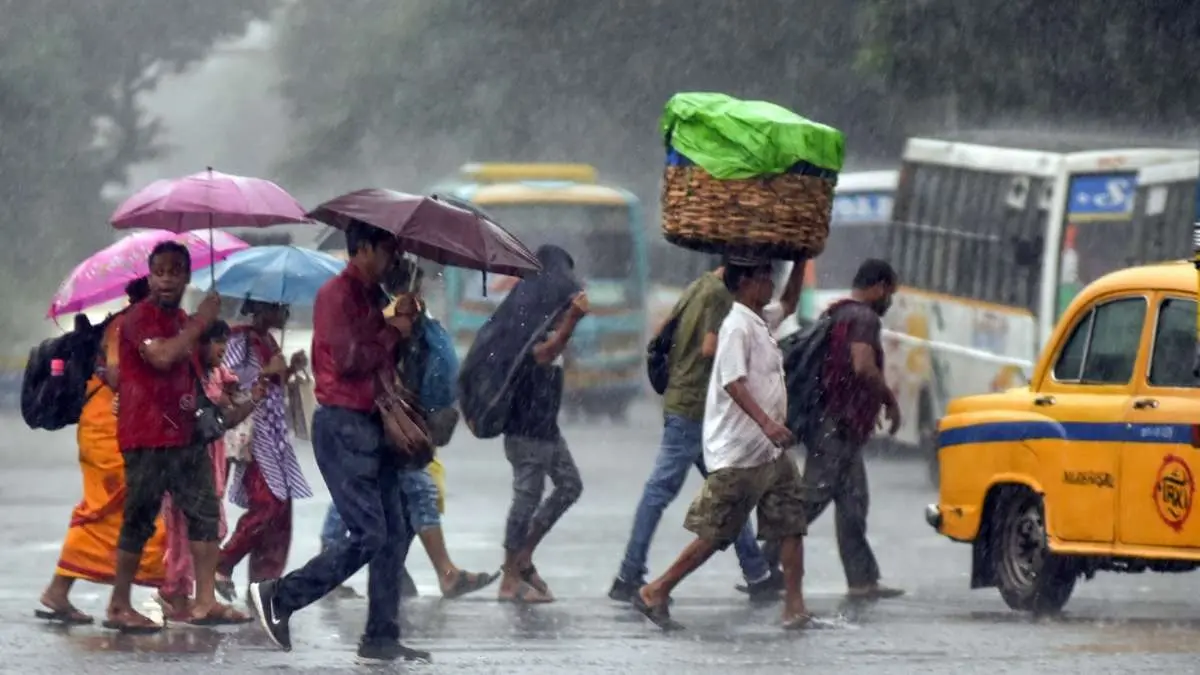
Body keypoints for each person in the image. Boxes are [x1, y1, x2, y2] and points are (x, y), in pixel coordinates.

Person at [248, 220, 430, 665]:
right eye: (387, 252)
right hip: (344, 426)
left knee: (396, 530)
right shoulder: (336, 295)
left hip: (375, 422)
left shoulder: (374, 299)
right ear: (363, 249)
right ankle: (281, 596)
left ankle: (382, 635)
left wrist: (407, 322)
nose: (392, 262)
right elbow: (350, 359)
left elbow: (388, 358)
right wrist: (392, 332)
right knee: (369, 533)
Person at [634, 258, 810, 631]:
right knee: (716, 533)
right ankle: (656, 589)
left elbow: (791, 302)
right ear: (745, 282)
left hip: (770, 453)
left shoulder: (761, 321)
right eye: (765, 278)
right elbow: (733, 381)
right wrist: (768, 425)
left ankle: (795, 607)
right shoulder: (735, 326)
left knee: (792, 520)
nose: (770, 285)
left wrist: (802, 258)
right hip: (741, 451)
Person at [610, 258, 781, 604]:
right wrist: (746, 352)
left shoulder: (700, 285)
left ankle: (757, 572)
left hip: (692, 404)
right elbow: (708, 347)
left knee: (730, 492)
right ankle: (628, 575)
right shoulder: (719, 295)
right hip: (693, 409)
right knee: (661, 491)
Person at [105, 243, 249, 632]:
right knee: (139, 518)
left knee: (204, 514)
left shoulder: (183, 319)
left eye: (175, 271)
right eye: (160, 272)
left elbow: (194, 362)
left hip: (184, 435)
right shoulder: (139, 318)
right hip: (147, 436)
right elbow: (162, 356)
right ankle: (119, 604)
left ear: (187, 277)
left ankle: (205, 601)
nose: (167, 279)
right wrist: (201, 323)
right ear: (150, 277)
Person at [764, 258, 905, 600]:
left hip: (836, 424)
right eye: (889, 293)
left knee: (853, 502)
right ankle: (760, 563)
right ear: (879, 287)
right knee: (812, 498)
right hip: (836, 425)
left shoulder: (838, 312)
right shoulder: (863, 318)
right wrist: (889, 398)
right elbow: (862, 365)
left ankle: (862, 580)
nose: (888, 300)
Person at [37, 278, 166, 625]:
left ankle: (61, 591)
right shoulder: (125, 324)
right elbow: (115, 373)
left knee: (111, 510)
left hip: (115, 425)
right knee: (114, 509)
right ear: (143, 296)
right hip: (107, 428)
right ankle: (125, 601)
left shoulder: (136, 324)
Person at [386, 267, 497, 599]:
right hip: (391, 421)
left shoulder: (416, 320)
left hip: (411, 419)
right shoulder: (385, 319)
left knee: (399, 500)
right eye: (413, 287)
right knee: (416, 492)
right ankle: (444, 573)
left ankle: (391, 571)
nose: (417, 295)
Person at [493, 247, 588, 603]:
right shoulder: (527, 315)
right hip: (525, 426)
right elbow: (543, 354)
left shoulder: (544, 312)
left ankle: (523, 556)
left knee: (569, 486)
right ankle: (509, 574)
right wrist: (571, 321)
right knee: (526, 498)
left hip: (546, 426)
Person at [157, 320, 260, 620]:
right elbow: (216, 413)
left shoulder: (215, 374)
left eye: (224, 345)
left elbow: (230, 399)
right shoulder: (190, 375)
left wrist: (249, 390)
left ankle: (190, 595)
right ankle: (177, 591)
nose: (221, 350)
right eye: (216, 343)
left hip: (210, 458)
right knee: (186, 525)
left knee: (204, 524)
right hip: (187, 457)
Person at [215, 300, 313, 604]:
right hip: (253, 434)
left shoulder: (268, 340)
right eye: (279, 308)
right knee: (268, 505)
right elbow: (226, 381)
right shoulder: (239, 340)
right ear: (261, 309)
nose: (285, 313)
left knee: (281, 513)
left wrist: (289, 369)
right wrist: (265, 373)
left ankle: (264, 584)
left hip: (275, 434)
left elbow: (274, 386)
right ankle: (224, 560)